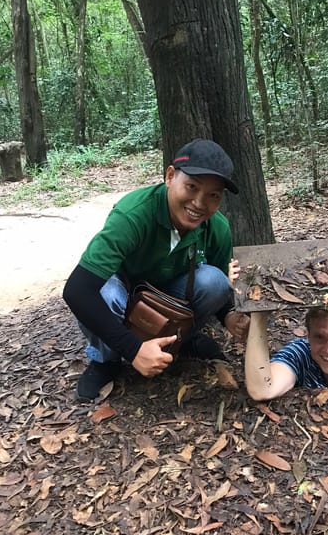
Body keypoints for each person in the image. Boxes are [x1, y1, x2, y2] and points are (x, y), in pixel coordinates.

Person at [63, 138, 250, 403]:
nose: (199, 203)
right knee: (104, 293)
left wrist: (228, 316)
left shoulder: (217, 228)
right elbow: (77, 290)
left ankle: (180, 343)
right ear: (170, 176)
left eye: (213, 195)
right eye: (192, 187)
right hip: (126, 289)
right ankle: (106, 360)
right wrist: (134, 349)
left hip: (168, 295)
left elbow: (220, 292)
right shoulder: (134, 214)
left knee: (215, 281)